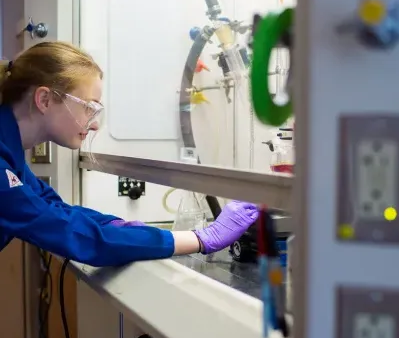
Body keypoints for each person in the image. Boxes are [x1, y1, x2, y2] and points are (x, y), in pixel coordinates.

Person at [0, 41, 258, 267]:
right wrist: (202, 238)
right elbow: (69, 232)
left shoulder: (10, 155)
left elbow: (55, 209)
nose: (94, 125)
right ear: (44, 99)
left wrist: (124, 229)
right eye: (89, 108)